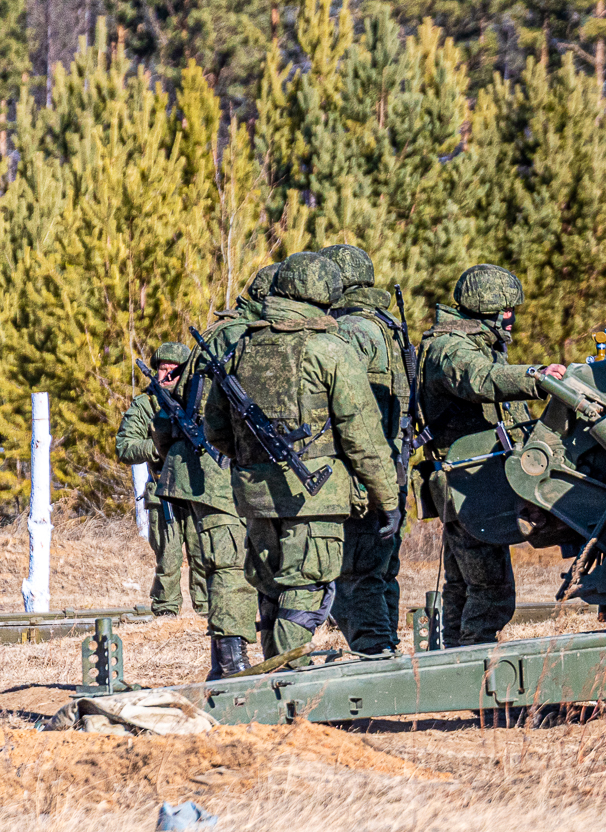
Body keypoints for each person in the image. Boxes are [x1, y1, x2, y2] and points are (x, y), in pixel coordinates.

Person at [203, 252, 399, 664]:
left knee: (273, 589)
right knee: (305, 589)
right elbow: (364, 437)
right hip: (315, 495)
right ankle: (287, 685)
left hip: (254, 494)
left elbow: (216, 430)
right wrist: (389, 499)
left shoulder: (243, 346)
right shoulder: (329, 349)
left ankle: (277, 681)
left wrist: (254, 463)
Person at [417, 264, 565, 648]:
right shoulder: (451, 349)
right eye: (508, 311)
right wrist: (536, 377)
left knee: (464, 587)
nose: (512, 319)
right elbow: (479, 380)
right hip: (468, 485)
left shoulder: (474, 345)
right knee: (490, 593)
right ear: (490, 309)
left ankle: (449, 668)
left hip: (475, 483)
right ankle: (472, 675)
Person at [319, 244, 410, 656]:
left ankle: (373, 655)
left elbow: (342, 402)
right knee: (378, 571)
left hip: (365, 469)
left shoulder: (352, 330)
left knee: (357, 573)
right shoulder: (382, 325)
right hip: (387, 463)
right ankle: (383, 649)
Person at [115, 343, 198, 618]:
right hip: (164, 490)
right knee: (169, 558)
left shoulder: (199, 399)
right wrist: (161, 444)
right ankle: (166, 616)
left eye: (176, 370)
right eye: (164, 369)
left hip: (200, 489)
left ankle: (209, 618)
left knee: (205, 556)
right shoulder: (146, 404)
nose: (169, 375)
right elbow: (124, 447)